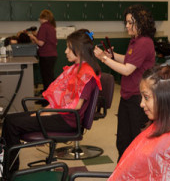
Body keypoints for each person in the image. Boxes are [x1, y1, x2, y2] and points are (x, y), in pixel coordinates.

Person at [2, 29, 102, 174]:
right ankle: (6, 165)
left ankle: (8, 171)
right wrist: (46, 110)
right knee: (9, 119)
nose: (65, 51)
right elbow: (62, 99)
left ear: (79, 50)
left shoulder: (87, 74)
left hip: (67, 121)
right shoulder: (77, 69)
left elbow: (76, 106)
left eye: (69, 47)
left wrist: (46, 113)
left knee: (12, 124)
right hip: (62, 116)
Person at [94, 4, 156, 160]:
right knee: (123, 140)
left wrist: (104, 58)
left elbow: (127, 69)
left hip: (138, 98)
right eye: (126, 22)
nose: (127, 26)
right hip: (127, 96)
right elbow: (130, 60)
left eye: (130, 23)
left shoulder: (144, 42)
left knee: (136, 140)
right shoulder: (135, 40)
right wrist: (113, 55)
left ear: (140, 23)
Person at [28, 9, 58, 104]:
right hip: (52, 55)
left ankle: (47, 101)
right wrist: (36, 36)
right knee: (49, 78)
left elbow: (40, 43)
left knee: (47, 79)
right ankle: (47, 98)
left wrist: (33, 38)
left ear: (42, 18)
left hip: (46, 55)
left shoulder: (43, 27)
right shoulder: (51, 27)